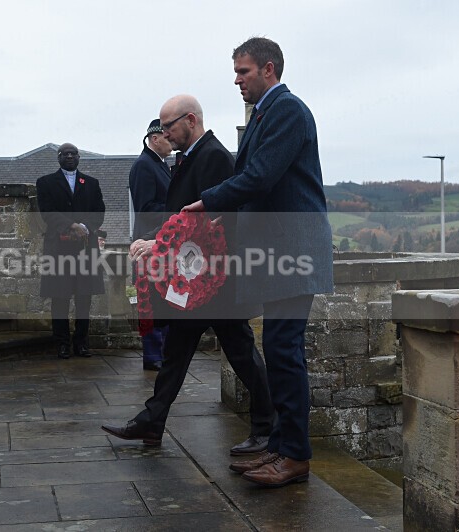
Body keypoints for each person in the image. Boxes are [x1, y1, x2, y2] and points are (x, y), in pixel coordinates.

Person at [184, 37, 334, 488]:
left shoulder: (286, 110)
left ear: (268, 69)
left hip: (294, 252)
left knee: (286, 352)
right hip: (280, 252)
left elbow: (259, 177)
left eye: (243, 71)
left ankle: (294, 456)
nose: (236, 80)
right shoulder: (266, 114)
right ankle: (279, 445)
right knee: (280, 348)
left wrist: (206, 203)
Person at [102, 95, 275, 456]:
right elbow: (180, 216)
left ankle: (267, 427)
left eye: (169, 126)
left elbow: (214, 221)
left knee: (241, 354)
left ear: (191, 120)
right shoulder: (189, 157)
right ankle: (152, 423)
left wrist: (158, 245)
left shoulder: (212, 156)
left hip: (215, 281)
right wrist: (155, 240)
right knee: (176, 355)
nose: (164, 133)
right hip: (195, 283)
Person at [36, 143, 105, 359]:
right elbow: (47, 211)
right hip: (58, 249)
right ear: (58, 158)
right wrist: (70, 226)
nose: (68, 157)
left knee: (84, 297)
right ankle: (63, 344)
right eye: (64, 154)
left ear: (78, 157)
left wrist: (84, 227)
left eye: (72, 154)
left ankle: (81, 343)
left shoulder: (91, 184)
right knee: (60, 298)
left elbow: (99, 211)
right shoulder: (45, 182)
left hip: (85, 248)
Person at [129, 119, 173, 371]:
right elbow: (146, 209)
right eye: (167, 137)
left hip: (160, 241)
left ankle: (162, 353)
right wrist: (176, 211)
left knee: (164, 297)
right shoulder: (144, 165)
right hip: (148, 242)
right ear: (154, 138)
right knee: (151, 300)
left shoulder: (160, 165)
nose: (172, 141)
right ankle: (153, 356)